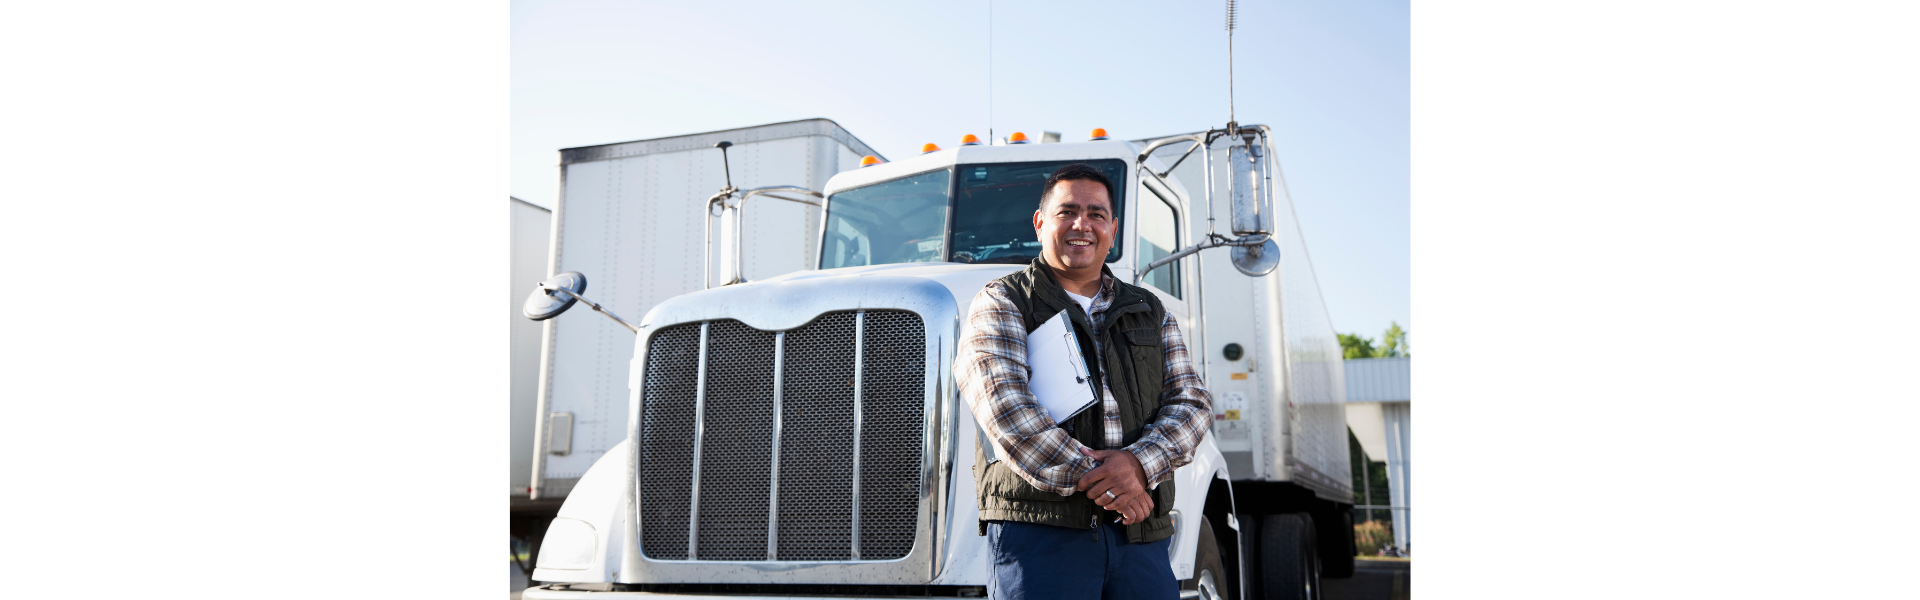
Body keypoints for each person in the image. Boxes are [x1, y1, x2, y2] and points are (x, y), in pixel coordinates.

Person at [954, 163, 1213, 600]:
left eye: (1096, 214)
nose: (1082, 224)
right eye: (1067, 211)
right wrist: (1112, 483)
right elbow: (1005, 409)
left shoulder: (1150, 310)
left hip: (1140, 535)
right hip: (1042, 535)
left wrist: (1136, 466)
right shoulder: (1003, 300)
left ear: (1112, 229)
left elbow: (1192, 404)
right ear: (1040, 223)